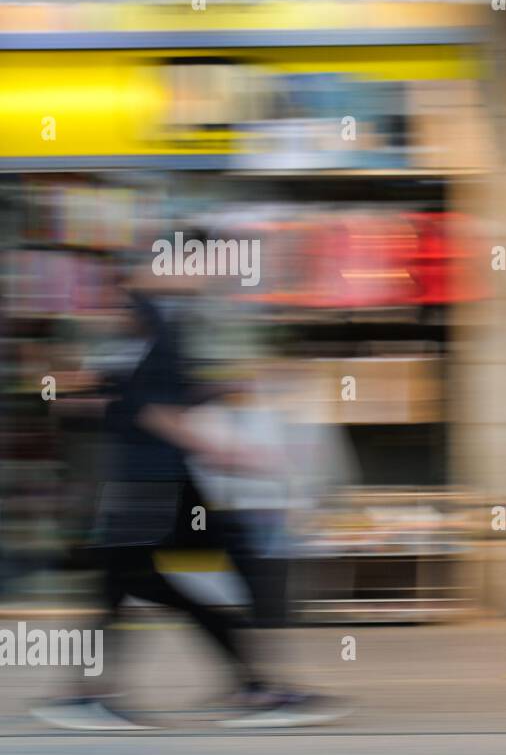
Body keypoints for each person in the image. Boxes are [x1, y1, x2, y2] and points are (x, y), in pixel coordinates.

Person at [30, 271, 338, 730]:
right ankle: (251, 685)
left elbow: (150, 404)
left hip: (155, 486)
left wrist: (225, 407)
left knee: (141, 586)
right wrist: (229, 449)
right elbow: (147, 407)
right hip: (149, 486)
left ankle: (245, 684)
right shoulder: (144, 331)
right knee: (141, 585)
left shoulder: (152, 332)